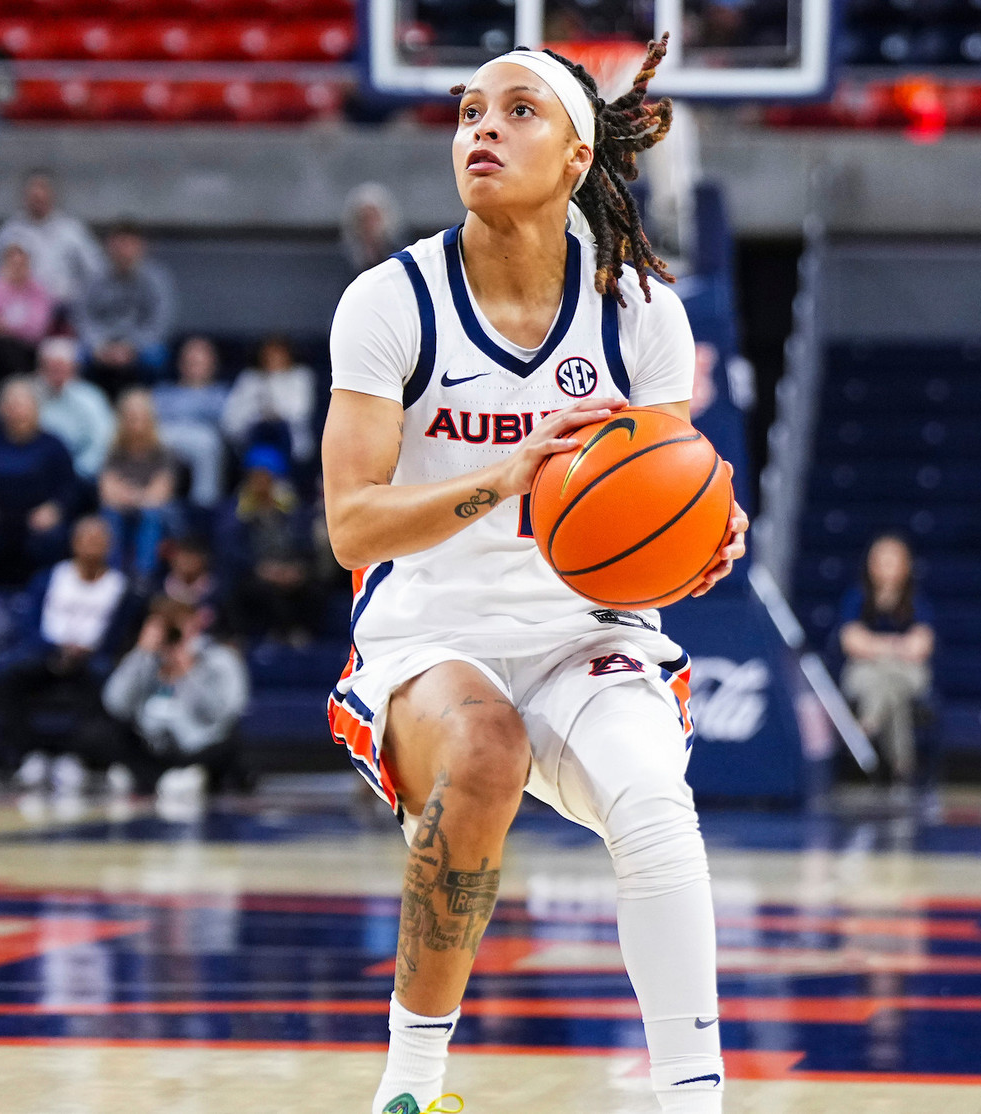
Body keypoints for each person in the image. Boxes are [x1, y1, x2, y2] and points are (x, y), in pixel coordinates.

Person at [321, 40, 746, 1114]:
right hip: (430, 631)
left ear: (577, 156)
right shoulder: (391, 300)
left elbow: (659, 497)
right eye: (471, 111)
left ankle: (693, 1100)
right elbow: (351, 527)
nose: (483, 129)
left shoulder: (641, 311)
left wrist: (704, 535)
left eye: (518, 111)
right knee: (485, 749)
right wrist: (503, 477)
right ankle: (410, 1088)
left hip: (586, 629)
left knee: (655, 801)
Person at [2, 516, 129, 793]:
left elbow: (120, 634)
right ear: (74, 543)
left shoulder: (120, 586)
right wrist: (55, 648)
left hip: (94, 658)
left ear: (110, 546)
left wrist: (87, 651)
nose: (92, 546)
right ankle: (28, 755)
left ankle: (78, 758)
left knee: (106, 678)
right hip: (48, 654)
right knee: (12, 674)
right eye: (87, 540)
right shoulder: (49, 578)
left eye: (99, 541)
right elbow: (29, 625)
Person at [100, 596, 251, 799]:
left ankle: (185, 774)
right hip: (152, 743)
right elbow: (115, 704)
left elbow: (222, 713)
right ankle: (145, 774)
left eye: (177, 625)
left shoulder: (220, 659)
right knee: (105, 733)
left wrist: (189, 672)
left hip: (198, 744)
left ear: (195, 623)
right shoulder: (147, 659)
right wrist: (141, 654)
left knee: (230, 745)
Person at [0, 376, 79, 583]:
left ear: (36, 409)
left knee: (54, 539)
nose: (17, 412)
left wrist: (55, 509)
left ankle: (42, 594)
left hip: (36, 522)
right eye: (11, 405)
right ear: (1, 409)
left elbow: (69, 485)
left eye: (23, 405)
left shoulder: (53, 445)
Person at [837, 534, 935, 782]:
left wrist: (875, 646)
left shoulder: (917, 601)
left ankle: (869, 724)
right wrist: (896, 646)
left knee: (890, 679)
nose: (886, 567)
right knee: (892, 691)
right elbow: (851, 642)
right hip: (867, 672)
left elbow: (921, 646)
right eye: (880, 560)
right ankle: (903, 767)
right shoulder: (856, 598)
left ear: (905, 565)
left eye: (892, 561)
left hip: (905, 671)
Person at [219, 445, 320, 644]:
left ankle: (303, 637)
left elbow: (305, 542)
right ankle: (266, 637)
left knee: (313, 588)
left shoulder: (292, 507)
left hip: (289, 568)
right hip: (255, 571)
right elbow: (231, 548)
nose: (261, 482)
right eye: (256, 476)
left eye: (266, 476)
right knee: (252, 590)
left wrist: (296, 568)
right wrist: (260, 568)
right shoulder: (236, 510)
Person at [0, 170, 104, 311]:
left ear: (53, 194)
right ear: (24, 196)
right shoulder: (8, 233)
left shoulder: (73, 231)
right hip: (23, 311)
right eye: (33, 192)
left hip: (67, 309)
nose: (38, 195)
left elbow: (96, 271)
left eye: (43, 189)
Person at [77, 221, 176, 388]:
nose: (124, 251)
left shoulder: (157, 279)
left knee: (156, 357)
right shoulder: (92, 277)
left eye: (129, 245)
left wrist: (132, 347)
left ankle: (146, 401)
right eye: (119, 245)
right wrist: (99, 345)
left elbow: (160, 322)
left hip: (141, 345)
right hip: (101, 343)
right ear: (108, 246)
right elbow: (82, 317)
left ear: (141, 247)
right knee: (74, 356)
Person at [101, 389, 180, 582]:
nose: (135, 422)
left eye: (139, 417)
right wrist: (136, 496)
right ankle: (112, 574)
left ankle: (144, 576)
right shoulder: (114, 452)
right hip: (124, 508)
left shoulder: (163, 452)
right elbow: (107, 492)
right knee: (110, 513)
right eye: (130, 417)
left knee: (150, 514)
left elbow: (160, 494)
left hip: (159, 512)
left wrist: (129, 494)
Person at [153, 335, 231, 508]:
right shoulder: (163, 392)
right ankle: (155, 505)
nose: (193, 367)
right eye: (189, 362)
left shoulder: (221, 394)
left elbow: (227, 426)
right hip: (166, 436)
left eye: (199, 362)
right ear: (180, 364)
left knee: (206, 443)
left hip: (204, 440)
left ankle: (203, 506)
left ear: (212, 365)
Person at [223, 334, 319, 466]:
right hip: (252, 439)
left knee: (278, 428)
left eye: (279, 354)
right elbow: (232, 418)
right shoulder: (249, 378)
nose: (274, 358)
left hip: (290, 439)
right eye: (269, 354)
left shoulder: (301, 377)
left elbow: (301, 411)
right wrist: (259, 416)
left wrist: (276, 414)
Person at [33, 336, 115, 480]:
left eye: (62, 367)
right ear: (41, 368)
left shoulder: (91, 397)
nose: (57, 372)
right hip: (37, 472)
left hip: (82, 474)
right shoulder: (28, 396)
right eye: (51, 367)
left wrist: (77, 471)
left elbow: (103, 440)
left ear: (74, 368)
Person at [0, 242, 55, 382]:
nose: (17, 269)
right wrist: (4, 287)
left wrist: (5, 326)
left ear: (28, 266)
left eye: (21, 265)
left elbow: (36, 330)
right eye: (13, 264)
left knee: (10, 347)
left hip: (27, 349)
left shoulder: (38, 290)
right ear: (4, 265)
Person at [342, 183, 406, 274]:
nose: (369, 224)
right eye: (364, 218)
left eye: (373, 218)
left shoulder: (400, 258)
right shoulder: (343, 261)